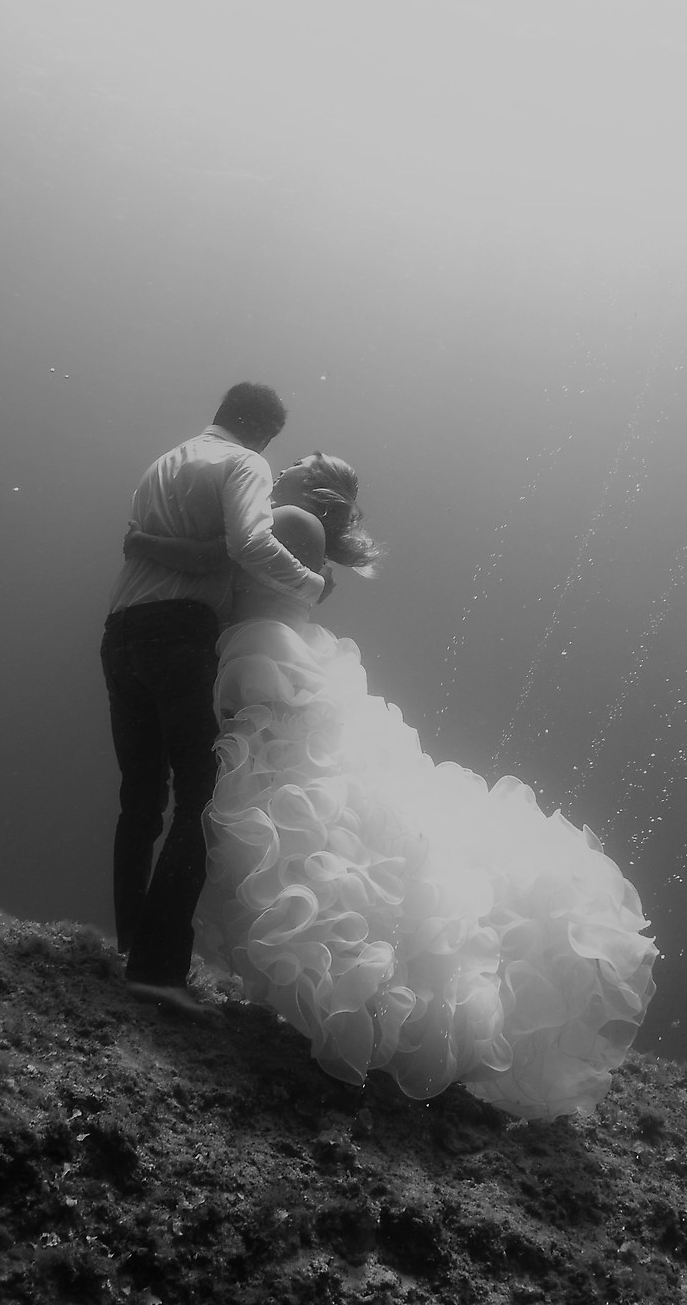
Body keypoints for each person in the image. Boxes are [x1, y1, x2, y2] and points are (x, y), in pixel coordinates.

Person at [125, 456, 657, 1117]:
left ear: (310, 489)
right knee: (301, 821)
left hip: (268, 658)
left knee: (291, 817)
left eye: (295, 465)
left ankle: (357, 996)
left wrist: (146, 544)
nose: (280, 468)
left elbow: (227, 563)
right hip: (278, 652)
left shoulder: (287, 519)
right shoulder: (301, 529)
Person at [102, 384, 325, 1013]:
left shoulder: (165, 463)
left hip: (120, 629)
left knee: (141, 796)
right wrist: (311, 585)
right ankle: (156, 969)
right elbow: (247, 545)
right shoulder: (244, 463)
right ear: (263, 433)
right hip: (177, 632)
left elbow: (162, 544)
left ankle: (126, 943)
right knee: (203, 798)